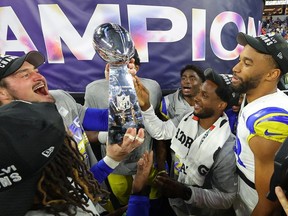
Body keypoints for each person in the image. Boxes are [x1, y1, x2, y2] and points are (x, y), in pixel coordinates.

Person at [0, 51, 142, 214]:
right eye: (25, 75)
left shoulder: (59, 98)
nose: (38, 77)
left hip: (93, 198)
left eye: (36, 71)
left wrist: (120, 85)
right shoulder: (9, 143)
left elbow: (111, 120)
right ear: (2, 92)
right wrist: (111, 160)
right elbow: (62, 189)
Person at [0, 100, 153, 216]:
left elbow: (76, 186)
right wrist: (138, 191)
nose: (74, 134)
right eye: (66, 134)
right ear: (54, 157)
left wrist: (112, 159)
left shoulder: (43, 188)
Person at [134, 68, 238, 215]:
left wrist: (185, 192)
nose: (196, 98)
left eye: (204, 95)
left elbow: (226, 198)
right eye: (199, 92)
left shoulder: (226, 148)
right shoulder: (187, 117)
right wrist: (145, 106)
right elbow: (161, 132)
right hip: (177, 207)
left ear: (221, 105)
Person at [84, 49, 162, 210]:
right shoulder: (93, 90)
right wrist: (109, 136)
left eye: (125, 65)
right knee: (125, 204)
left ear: (136, 67)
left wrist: (161, 165)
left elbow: (159, 127)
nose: (120, 70)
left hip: (147, 160)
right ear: (108, 66)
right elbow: (85, 132)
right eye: (115, 64)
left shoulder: (152, 88)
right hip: (115, 168)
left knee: (154, 203)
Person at [231, 32, 288, 215]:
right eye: (240, 60)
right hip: (243, 187)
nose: (235, 68)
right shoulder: (255, 94)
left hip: (254, 201)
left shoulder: (267, 120)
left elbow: (269, 202)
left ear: (272, 74)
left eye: (247, 63)